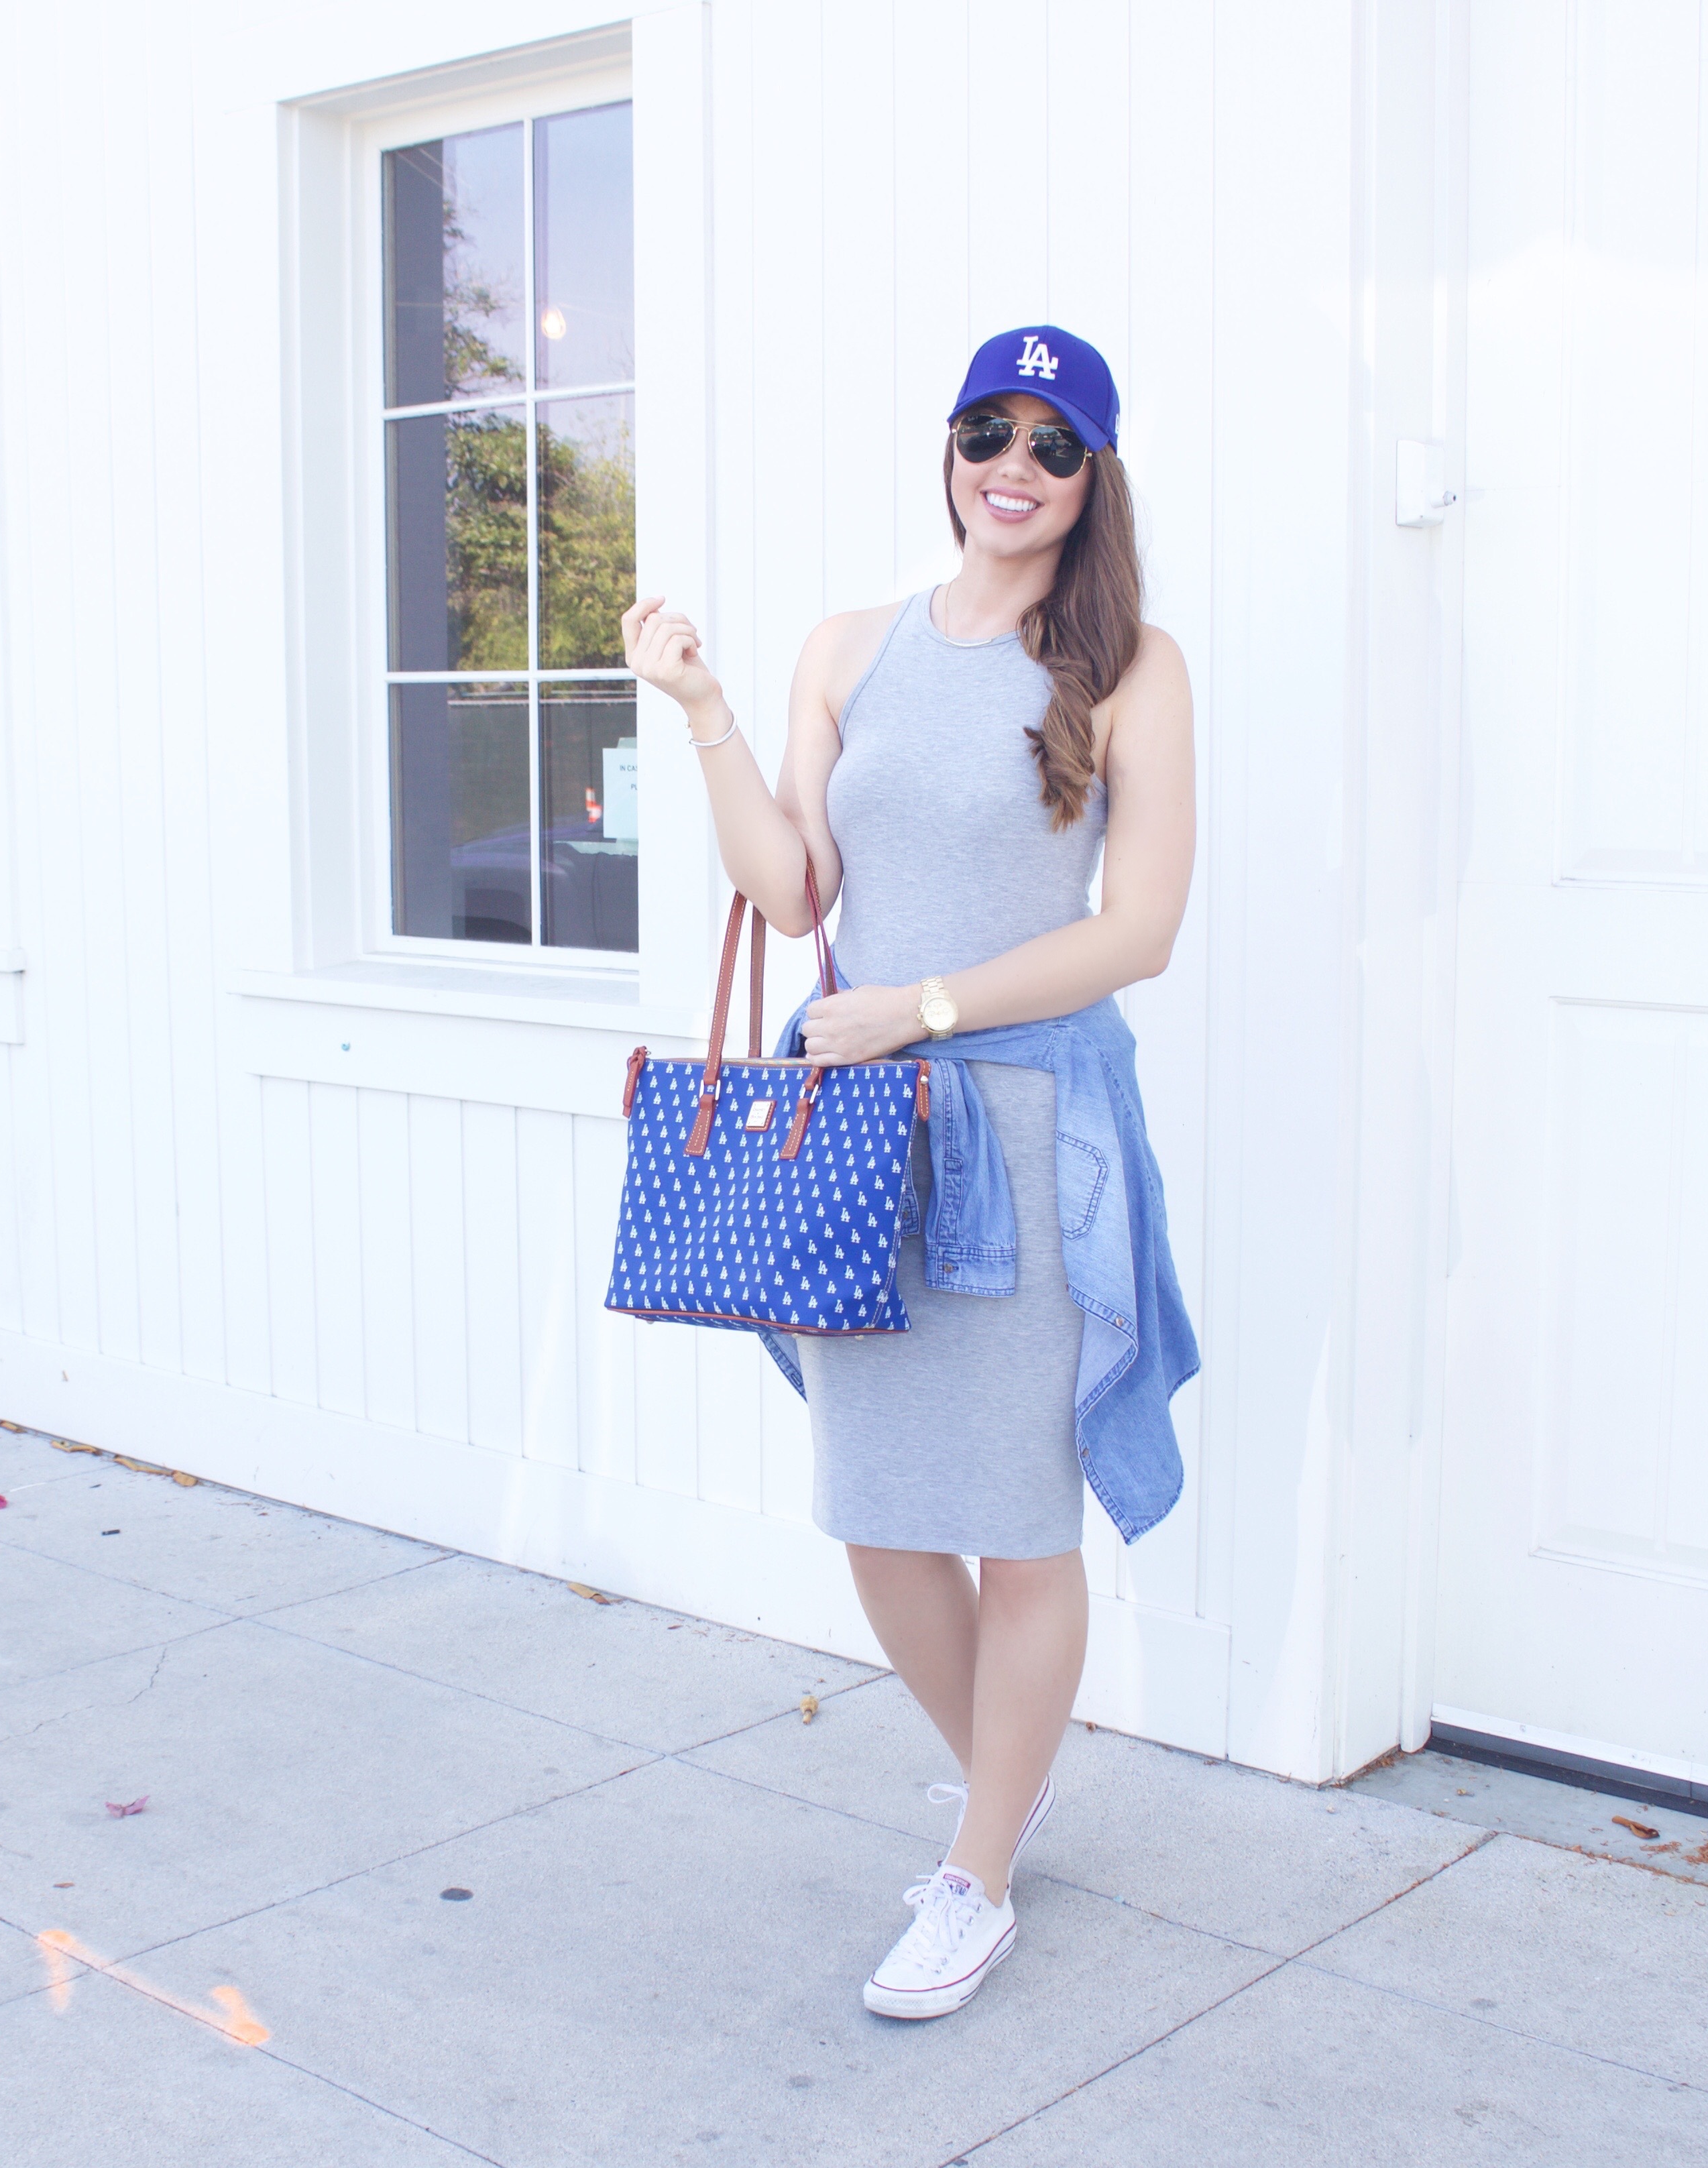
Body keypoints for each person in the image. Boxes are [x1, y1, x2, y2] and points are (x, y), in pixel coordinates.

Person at [620, 325, 1198, 2020]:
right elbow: (794, 895)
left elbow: (1138, 932)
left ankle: (978, 1871)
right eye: (984, 429)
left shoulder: (1131, 663)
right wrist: (709, 712)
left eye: (1053, 441)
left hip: (1023, 1130)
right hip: (860, 1141)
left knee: (1020, 1537)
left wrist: (926, 1008)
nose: (1011, 463)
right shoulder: (847, 649)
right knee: (882, 1520)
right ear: (948, 452)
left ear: (1095, 477)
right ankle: (997, 1802)